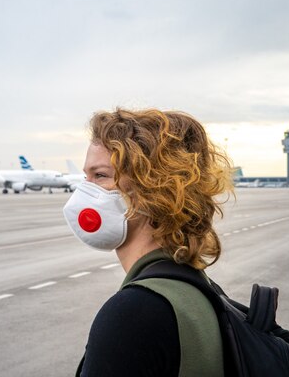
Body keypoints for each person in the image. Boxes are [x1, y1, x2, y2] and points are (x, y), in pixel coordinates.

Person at [62, 108, 234, 377]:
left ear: (151, 191)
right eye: (86, 177)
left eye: (100, 176)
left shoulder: (132, 315)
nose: (84, 191)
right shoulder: (195, 288)